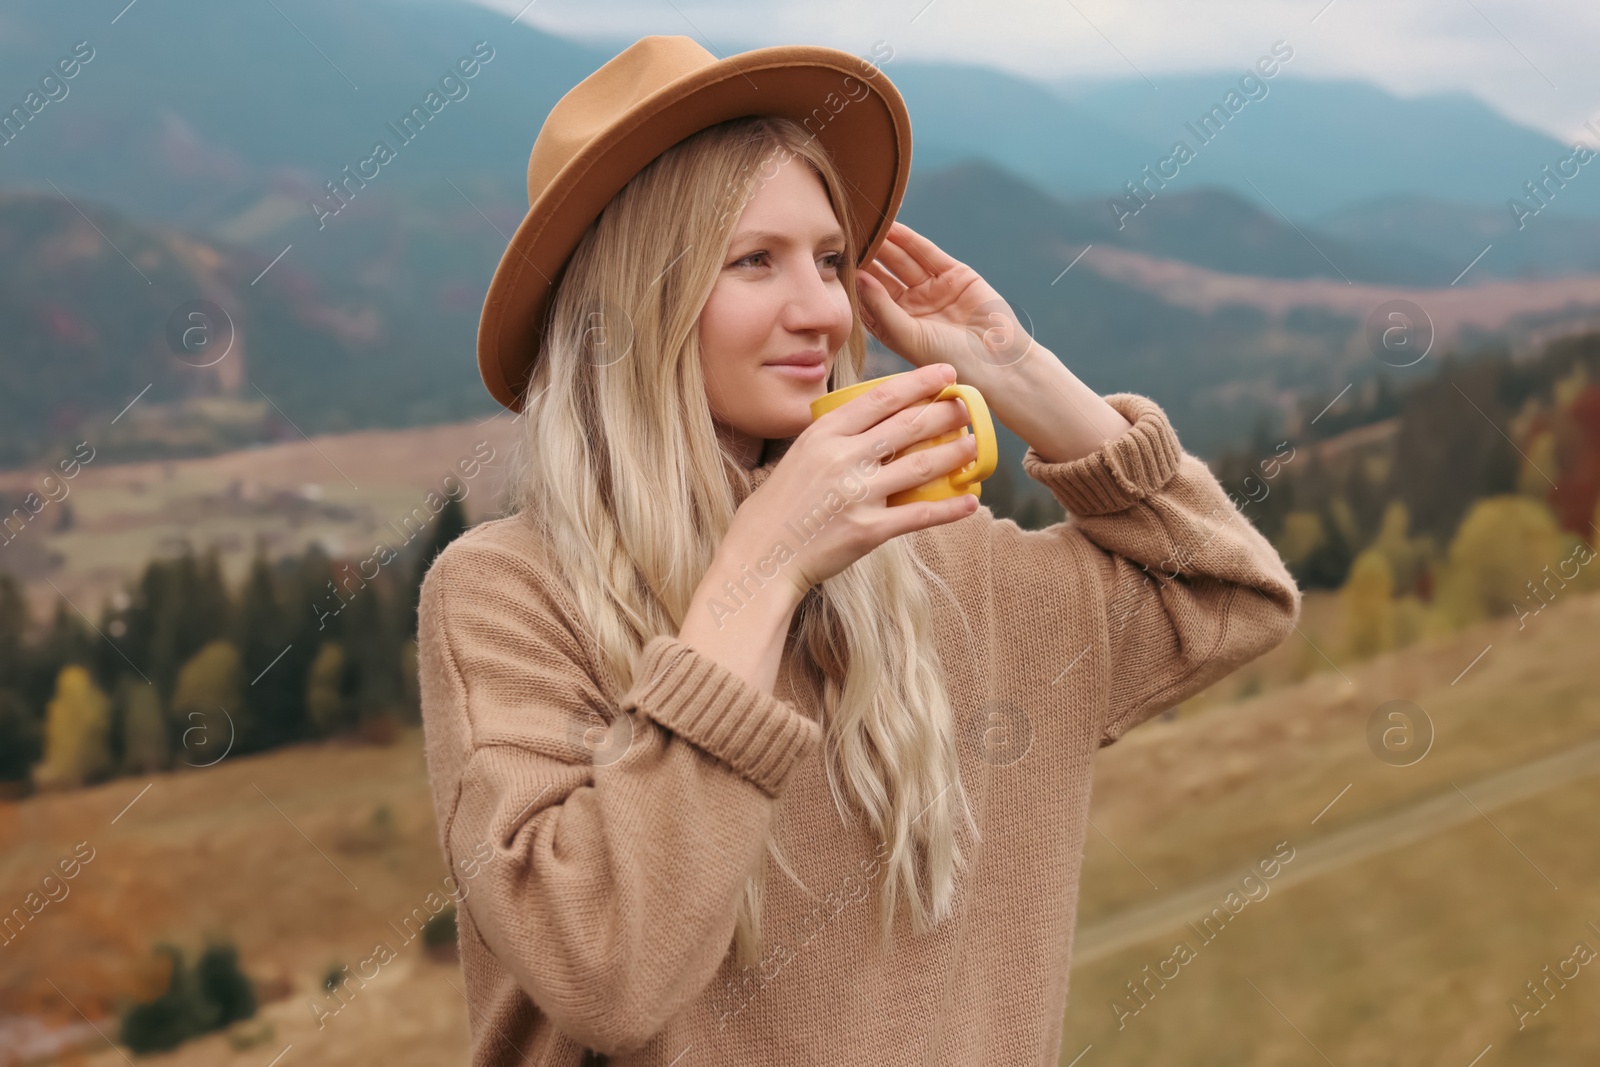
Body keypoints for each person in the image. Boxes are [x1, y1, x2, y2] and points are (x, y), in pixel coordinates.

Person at [416, 35, 1302, 1067]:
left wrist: (1017, 369)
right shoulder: (510, 594)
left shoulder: (941, 561)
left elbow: (1229, 595)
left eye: (831, 261)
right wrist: (764, 567)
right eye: (754, 260)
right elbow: (607, 969)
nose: (825, 309)